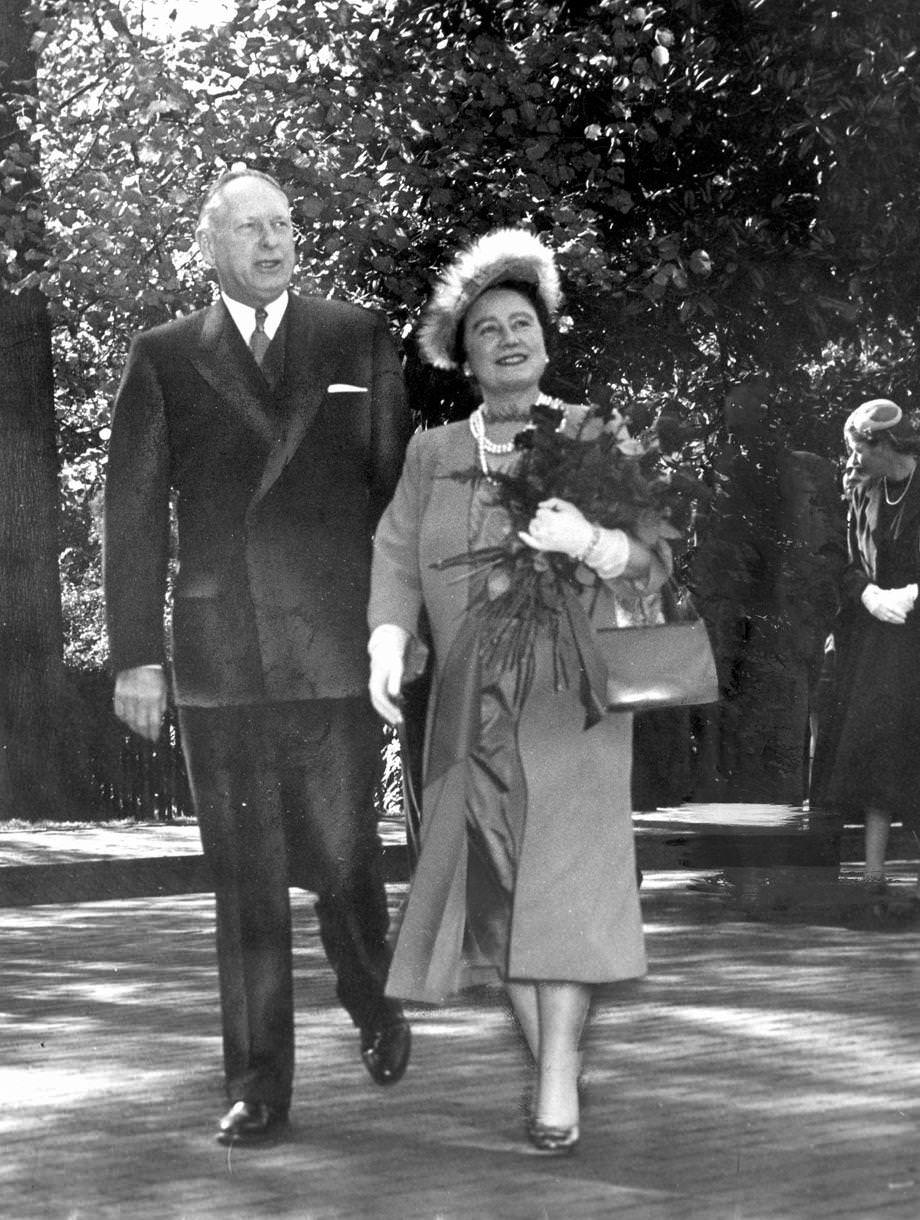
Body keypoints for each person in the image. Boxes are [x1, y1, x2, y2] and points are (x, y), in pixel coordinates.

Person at [103, 167, 413, 1144]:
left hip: (333, 645)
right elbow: (131, 514)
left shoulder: (355, 336)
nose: (274, 242)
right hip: (220, 652)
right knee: (245, 875)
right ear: (210, 249)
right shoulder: (163, 357)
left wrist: (400, 628)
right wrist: (135, 656)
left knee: (346, 851)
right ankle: (259, 1082)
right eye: (250, 228)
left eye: (283, 224)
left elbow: (397, 497)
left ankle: (371, 990)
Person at [366, 228, 669, 1154]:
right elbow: (395, 554)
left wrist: (593, 542)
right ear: (461, 354)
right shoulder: (431, 454)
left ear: (546, 338)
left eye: (522, 323)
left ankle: (554, 1089)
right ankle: (556, 1071)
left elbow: (655, 562)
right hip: (466, 706)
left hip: (568, 704)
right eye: (486, 328)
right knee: (499, 896)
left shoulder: (592, 437)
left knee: (566, 889)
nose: (506, 339)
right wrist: (388, 635)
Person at [811, 398, 920, 904]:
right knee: (877, 746)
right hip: (877, 639)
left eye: (858, 450)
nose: (853, 461)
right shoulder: (864, 494)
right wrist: (870, 595)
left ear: (884, 444)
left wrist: (914, 592)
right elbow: (846, 559)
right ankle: (873, 875)